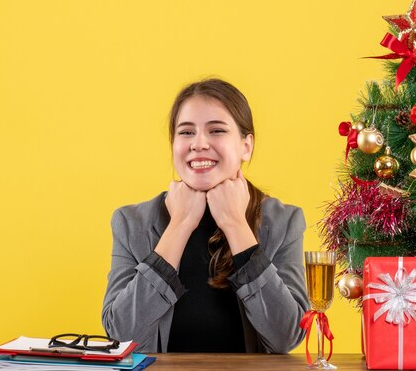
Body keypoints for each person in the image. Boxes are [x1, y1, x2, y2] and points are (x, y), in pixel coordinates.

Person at [102, 78, 310, 353]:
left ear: (246, 146)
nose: (199, 144)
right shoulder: (131, 223)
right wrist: (179, 225)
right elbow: (121, 335)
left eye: (216, 130)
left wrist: (236, 225)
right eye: (186, 132)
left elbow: (287, 336)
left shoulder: (284, 221)